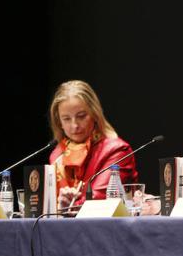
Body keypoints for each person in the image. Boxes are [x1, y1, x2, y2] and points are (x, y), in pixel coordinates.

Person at [48, 80, 138, 209]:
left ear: (95, 114)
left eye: (81, 116)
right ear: (59, 122)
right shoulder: (57, 155)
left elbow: (100, 202)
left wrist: (66, 207)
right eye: (66, 119)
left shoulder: (117, 150)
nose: (75, 125)